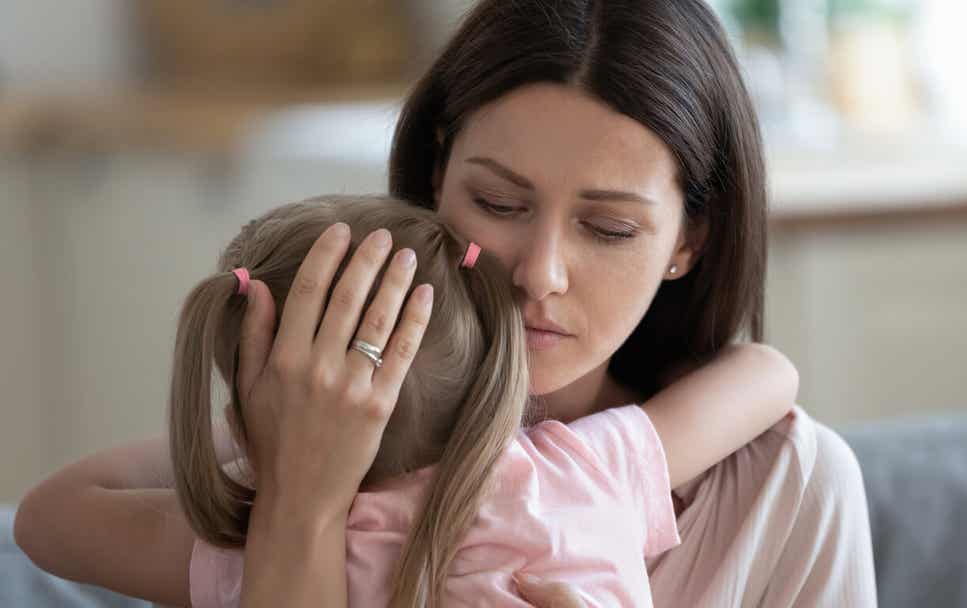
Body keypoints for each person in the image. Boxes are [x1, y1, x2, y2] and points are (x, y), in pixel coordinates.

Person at [20, 0, 878, 605]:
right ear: (436, 177)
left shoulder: (788, 488)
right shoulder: (305, 445)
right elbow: (48, 522)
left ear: (690, 238)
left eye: (609, 228)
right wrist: (298, 502)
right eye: (501, 205)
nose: (539, 272)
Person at [13, 194, 795, 607]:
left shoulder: (267, 548)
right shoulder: (574, 474)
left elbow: (47, 520)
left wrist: (262, 443)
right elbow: (768, 374)